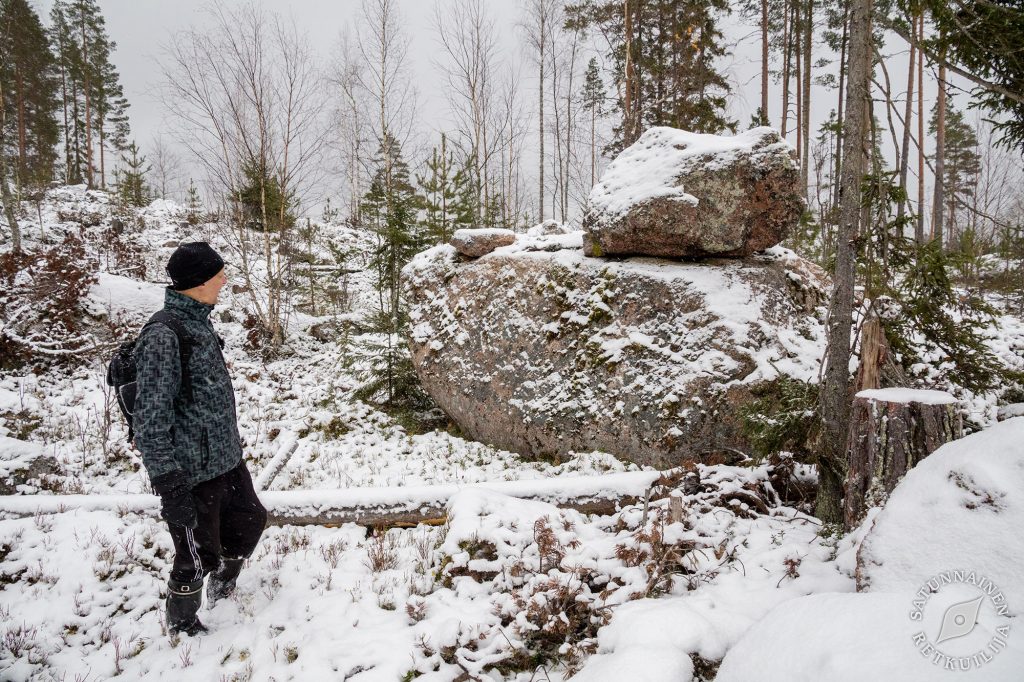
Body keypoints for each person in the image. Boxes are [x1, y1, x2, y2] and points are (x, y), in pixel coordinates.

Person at [133, 242, 267, 636]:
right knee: (194, 555)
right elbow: (150, 418)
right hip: (190, 473)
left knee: (249, 522)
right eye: (218, 274)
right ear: (197, 282)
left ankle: (222, 589)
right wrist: (169, 485)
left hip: (226, 459)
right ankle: (183, 625)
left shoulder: (198, 321)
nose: (224, 279)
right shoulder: (163, 334)